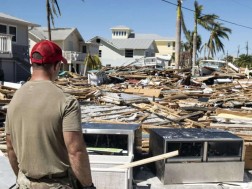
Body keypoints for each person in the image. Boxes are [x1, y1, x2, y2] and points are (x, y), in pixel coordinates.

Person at [5, 40, 95, 189]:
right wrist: (88, 185)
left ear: (32, 65)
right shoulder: (66, 101)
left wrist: (21, 177)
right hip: (57, 184)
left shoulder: (15, 99)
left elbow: (10, 147)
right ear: (56, 66)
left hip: (25, 183)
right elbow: (75, 151)